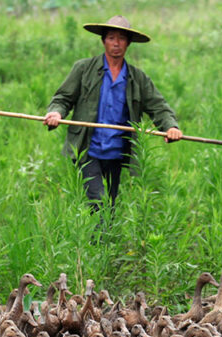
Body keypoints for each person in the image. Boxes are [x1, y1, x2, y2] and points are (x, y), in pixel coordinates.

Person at [44, 15, 183, 212]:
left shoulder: (137, 78)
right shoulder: (84, 69)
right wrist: (56, 114)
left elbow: (158, 106)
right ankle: (98, 241)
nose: (116, 43)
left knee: (109, 206)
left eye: (121, 38)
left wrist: (171, 127)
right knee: (99, 201)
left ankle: (102, 242)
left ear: (128, 43)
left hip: (117, 152)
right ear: (103, 41)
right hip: (87, 149)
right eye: (111, 38)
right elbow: (63, 99)